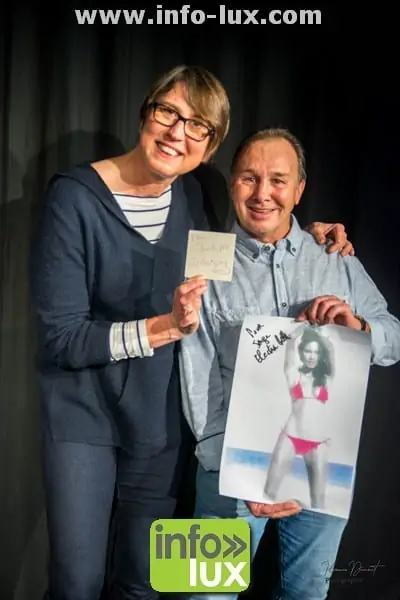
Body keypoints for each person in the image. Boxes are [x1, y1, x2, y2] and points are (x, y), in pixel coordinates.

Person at [29, 64, 355, 600]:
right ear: (146, 112)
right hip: (83, 419)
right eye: (168, 113)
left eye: (198, 126)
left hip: (164, 429)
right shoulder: (73, 197)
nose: (178, 133)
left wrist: (310, 237)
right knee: (77, 583)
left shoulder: (197, 195)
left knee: (149, 581)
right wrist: (162, 328)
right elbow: (60, 339)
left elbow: (253, 242)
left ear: (210, 147)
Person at [179, 126, 400, 600]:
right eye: (249, 178)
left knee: (308, 596)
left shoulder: (336, 258)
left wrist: (359, 328)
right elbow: (196, 374)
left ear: (299, 190)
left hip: (324, 471)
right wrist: (236, 471)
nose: (263, 193)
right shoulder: (204, 261)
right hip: (226, 473)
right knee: (199, 594)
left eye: (278, 180)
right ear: (232, 185)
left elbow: (394, 338)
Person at [264, 324, 335, 509]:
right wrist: (297, 332)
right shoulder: (294, 376)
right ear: (301, 353)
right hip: (291, 436)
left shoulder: (327, 379)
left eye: (316, 352)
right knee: (268, 494)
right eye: (308, 351)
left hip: (318, 443)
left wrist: (319, 331)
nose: (312, 356)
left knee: (318, 502)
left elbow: (330, 351)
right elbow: (289, 355)